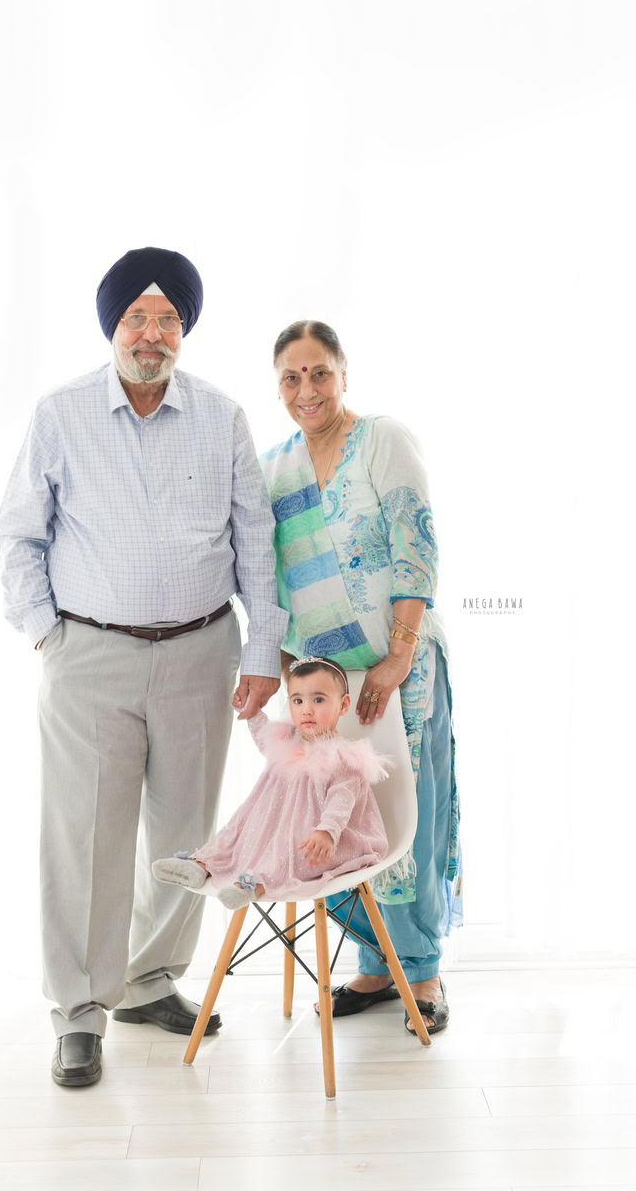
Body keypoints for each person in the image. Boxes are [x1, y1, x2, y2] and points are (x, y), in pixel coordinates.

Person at [0, 247, 287, 1087]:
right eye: (136, 317)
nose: (151, 334)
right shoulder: (61, 414)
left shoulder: (222, 417)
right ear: (112, 326)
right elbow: (18, 535)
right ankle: (80, 1013)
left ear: (183, 331)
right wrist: (49, 635)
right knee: (85, 839)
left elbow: (255, 542)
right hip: (90, 655)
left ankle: (149, 980)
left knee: (186, 835)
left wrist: (261, 650)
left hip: (201, 651)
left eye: (167, 319)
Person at [260, 320, 462, 1036]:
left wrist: (398, 657)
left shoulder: (384, 441)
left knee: (410, 812)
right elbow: (273, 581)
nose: (306, 389)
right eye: (291, 377)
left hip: (394, 667)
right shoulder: (274, 468)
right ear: (278, 386)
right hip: (324, 686)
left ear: (344, 374)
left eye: (319, 373)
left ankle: (424, 970)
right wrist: (286, 680)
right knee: (338, 819)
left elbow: (416, 547)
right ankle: (376, 969)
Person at [152, 656, 391, 908]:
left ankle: (255, 883)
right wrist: (252, 711)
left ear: (342, 705)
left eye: (318, 700)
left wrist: (327, 831)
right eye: (298, 701)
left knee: (295, 852)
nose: (306, 709)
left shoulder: (343, 757)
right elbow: (264, 738)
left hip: (325, 838)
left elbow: (342, 801)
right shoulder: (288, 738)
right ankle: (203, 863)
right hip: (279, 825)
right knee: (241, 826)